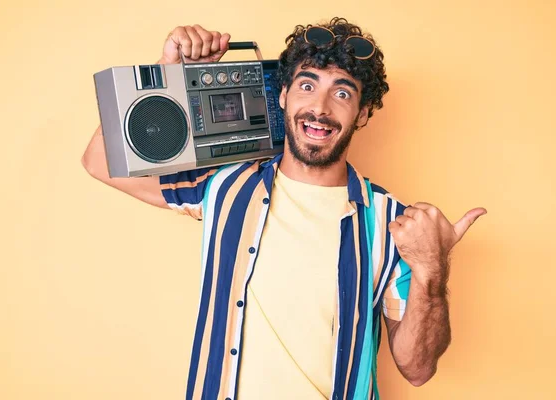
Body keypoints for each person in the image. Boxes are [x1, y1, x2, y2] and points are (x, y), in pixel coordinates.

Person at [82, 17, 486, 400]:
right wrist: (169, 75)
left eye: (342, 92)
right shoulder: (225, 185)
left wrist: (431, 269)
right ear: (282, 95)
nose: (321, 108)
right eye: (307, 86)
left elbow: (417, 368)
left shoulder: (392, 224)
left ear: (363, 113)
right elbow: (99, 160)